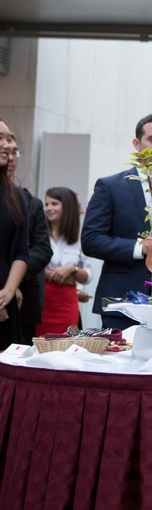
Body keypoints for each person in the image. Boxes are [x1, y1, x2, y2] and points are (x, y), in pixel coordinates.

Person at [81, 113, 152, 330]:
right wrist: (140, 248)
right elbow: (91, 240)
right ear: (137, 144)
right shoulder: (111, 186)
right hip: (122, 301)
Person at [7, 133, 53, 343]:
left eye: (14, 152)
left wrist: (13, 280)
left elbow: (42, 249)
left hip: (24, 296)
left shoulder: (30, 203)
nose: (10, 157)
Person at [38, 187, 94, 336]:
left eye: (54, 204)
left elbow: (88, 276)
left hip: (67, 303)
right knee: (38, 344)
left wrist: (72, 268)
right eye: (47, 204)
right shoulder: (39, 233)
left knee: (65, 346)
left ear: (67, 206)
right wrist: (51, 274)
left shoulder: (79, 239)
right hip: (41, 300)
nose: (49, 208)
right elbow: (30, 264)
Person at [0, 119, 29, 348]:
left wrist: (8, 292)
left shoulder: (16, 196)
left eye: (8, 138)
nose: (7, 144)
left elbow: (22, 250)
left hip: (4, 299)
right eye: (0, 138)